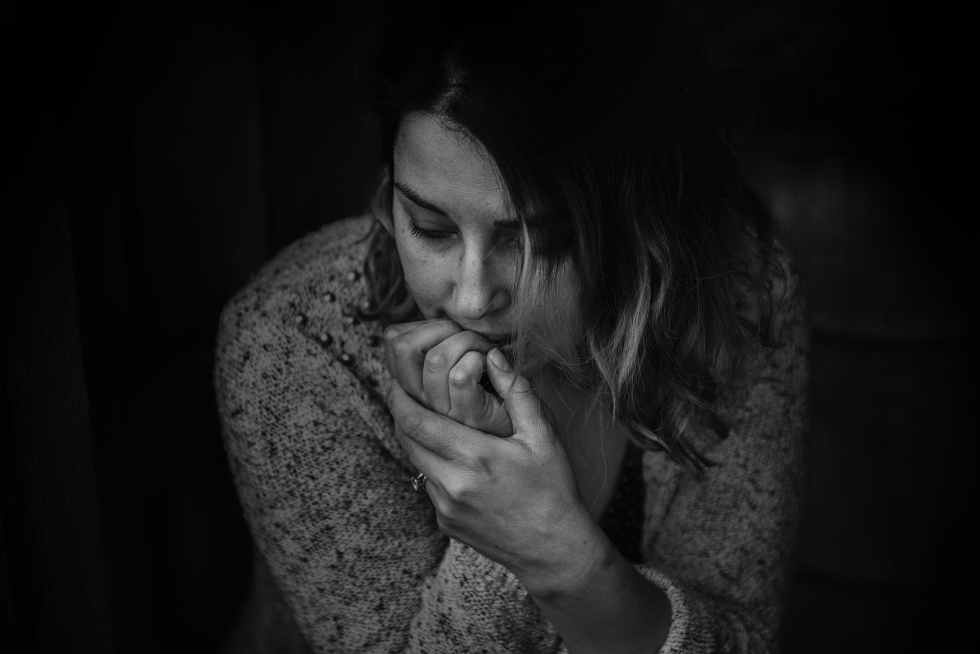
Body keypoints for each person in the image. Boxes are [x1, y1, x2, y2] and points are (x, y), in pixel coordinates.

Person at [214, 5, 807, 653]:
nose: (472, 297)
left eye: (539, 242)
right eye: (430, 229)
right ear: (388, 199)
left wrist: (556, 555)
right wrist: (497, 537)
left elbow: (744, 641)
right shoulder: (295, 339)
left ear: (640, 225)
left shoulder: (733, 293)